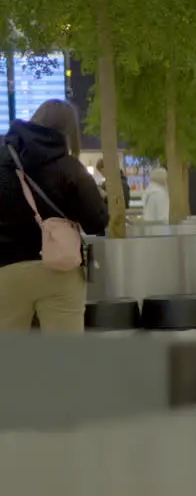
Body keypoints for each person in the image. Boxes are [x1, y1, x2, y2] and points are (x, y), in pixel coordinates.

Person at [0, 99, 109, 333]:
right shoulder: (70, 167)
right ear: (69, 131)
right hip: (61, 268)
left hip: (6, 270)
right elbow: (96, 222)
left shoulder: (2, 163)